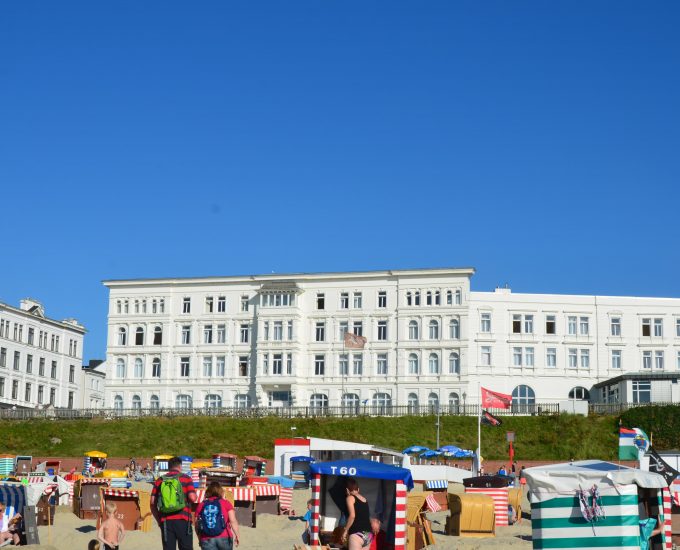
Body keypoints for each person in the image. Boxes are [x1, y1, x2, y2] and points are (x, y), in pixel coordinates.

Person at [151, 456, 197, 550]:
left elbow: (152, 503)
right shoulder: (186, 478)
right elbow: (192, 498)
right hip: (184, 520)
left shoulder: (160, 480)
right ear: (180, 466)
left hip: (166, 521)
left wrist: (159, 521)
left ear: (169, 467)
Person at [194, 481, 239, 550]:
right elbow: (233, 521)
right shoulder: (226, 503)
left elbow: (196, 524)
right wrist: (237, 535)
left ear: (208, 492)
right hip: (224, 536)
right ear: (220, 491)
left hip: (206, 538)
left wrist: (199, 538)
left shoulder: (202, 504)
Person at [342, 478, 373, 550]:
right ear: (358, 489)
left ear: (347, 490)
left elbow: (352, 516)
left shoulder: (350, 498)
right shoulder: (364, 499)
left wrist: (345, 530)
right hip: (368, 535)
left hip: (357, 533)